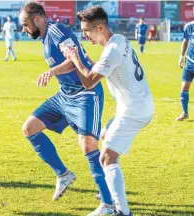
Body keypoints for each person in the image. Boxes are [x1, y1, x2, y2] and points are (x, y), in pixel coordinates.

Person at [19, 2, 114, 215]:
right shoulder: (45, 37)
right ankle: (63, 175)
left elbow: (73, 61)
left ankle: (108, 204)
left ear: (37, 18)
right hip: (65, 95)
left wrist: (51, 72)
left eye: (25, 24)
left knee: (88, 145)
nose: (24, 29)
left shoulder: (56, 30)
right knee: (29, 128)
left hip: (85, 94)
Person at [60, 5, 154, 216]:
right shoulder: (118, 40)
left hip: (134, 111)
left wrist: (74, 58)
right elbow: (102, 66)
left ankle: (122, 211)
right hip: (138, 105)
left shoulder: (111, 50)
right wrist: (82, 59)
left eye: (86, 31)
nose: (84, 35)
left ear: (100, 27)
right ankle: (113, 192)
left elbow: (88, 82)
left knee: (106, 158)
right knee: (104, 136)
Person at [177, 7, 194, 121]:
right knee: (184, 87)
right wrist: (181, 56)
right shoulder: (189, 26)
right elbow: (185, 41)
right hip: (189, 62)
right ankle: (185, 112)